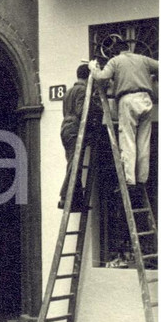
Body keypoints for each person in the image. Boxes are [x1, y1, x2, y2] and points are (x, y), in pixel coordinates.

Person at [89, 40, 158, 203]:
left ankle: (130, 182)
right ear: (128, 49)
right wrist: (152, 78)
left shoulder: (115, 61)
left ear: (115, 52)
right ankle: (142, 179)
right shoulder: (143, 59)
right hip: (146, 100)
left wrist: (93, 68)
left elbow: (101, 77)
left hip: (128, 100)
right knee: (143, 142)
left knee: (128, 140)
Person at [58, 64, 103, 212]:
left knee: (73, 164)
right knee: (74, 165)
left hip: (65, 128)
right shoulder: (83, 90)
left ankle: (76, 200)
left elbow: (68, 111)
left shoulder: (69, 91)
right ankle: (65, 197)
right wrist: (98, 108)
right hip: (75, 129)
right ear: (89, 76)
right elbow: (82, 111)